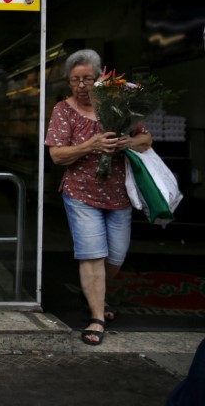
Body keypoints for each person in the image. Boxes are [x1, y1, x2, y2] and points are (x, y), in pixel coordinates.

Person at [44, 48, 152, 346]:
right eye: (74, 80)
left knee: (116, 256)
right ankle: (97, 316)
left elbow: (146, 139)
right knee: (92, 253)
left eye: (87, 79)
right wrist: (92, 144)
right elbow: (56, 155)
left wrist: (125, 142)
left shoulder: (119, 106)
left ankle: (94, 293)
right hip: (80, 192)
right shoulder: (62, 110)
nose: (81, 86)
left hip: (119, 195)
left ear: (100, 77)